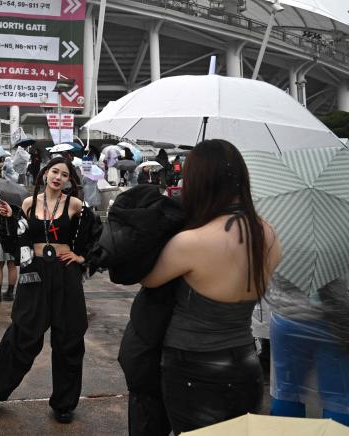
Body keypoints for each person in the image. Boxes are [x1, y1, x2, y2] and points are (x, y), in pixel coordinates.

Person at [139, 139, 282, 434]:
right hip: (245, 361)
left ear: (198, 181)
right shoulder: (266, 232)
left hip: (193, 368)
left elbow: (148, 278)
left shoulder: (191, 242)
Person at [0, 157, 101, 424]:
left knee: (69, 339)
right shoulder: (29, 203)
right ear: (45, 174)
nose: (59, 177)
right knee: (21, 335)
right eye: (55, 171)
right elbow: (19, 242)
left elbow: (97, 234)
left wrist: (82, 258)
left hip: (65, 274)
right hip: (35, 274)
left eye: (65, 175)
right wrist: (9, 218)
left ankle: (64, 404)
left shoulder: (76, 205)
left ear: (69, 181)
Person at [268, 274, 349, 424]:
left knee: (288, 391)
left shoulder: (284, 249)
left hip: (287, 320)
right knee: (338, 396)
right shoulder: (340, 250)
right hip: (334, 323)